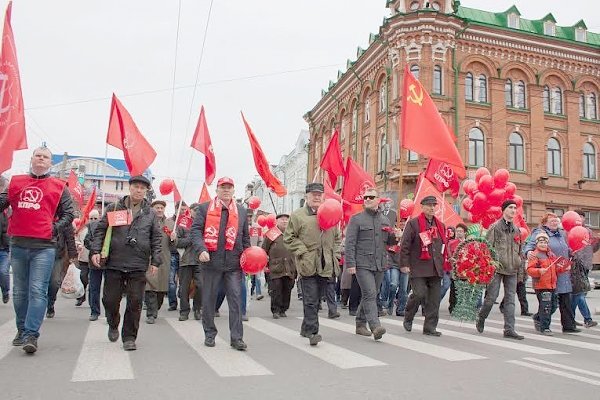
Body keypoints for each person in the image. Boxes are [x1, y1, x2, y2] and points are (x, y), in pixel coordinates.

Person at [0, 147, 75, 354]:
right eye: (38, 156)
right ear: (32, 159)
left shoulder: (59, 187)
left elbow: (69, 213)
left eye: (46, 157)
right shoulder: (15, 182)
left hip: (44, 247)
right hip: (18, 244)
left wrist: (54, 228)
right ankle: (21, 329)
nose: (41, 159)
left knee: (37, 290)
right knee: (19, 292)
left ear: (51, 162)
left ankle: (32, 334)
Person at [90, 175, 162, 351]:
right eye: (136, 187)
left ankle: (129, 337)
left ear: (146, 191)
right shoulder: (114, 207)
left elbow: (156, 238)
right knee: (110, 300)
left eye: (142, 188)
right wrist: (96, 251)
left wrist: (156, 260)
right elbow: (100, 231)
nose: (139, 190)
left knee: (135, 302)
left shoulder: (150, 213)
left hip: (138, 263)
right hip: (115, 261)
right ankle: (113, 323)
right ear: (129, 188)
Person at [190, 177, 250, 351]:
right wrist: (201, 249)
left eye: (229, 187)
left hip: (234, 263)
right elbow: (195, 231)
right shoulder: (204, 208)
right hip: (210, 262)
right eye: (222, 187)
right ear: (217, 190)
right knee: (208, 300)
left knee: (236, 301)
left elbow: (245, 237)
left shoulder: (241, 211)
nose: (226, 190)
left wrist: (248, 258)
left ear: (233, 191)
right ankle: (209, 333)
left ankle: (236, 338)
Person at [284, 182, 341, 346]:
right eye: (313, 194)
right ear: (306, 196)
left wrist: (335, 255)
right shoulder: (298, 215)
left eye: (319, 194)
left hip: (326, 264)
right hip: (307, 264)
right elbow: (289, 238)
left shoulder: (331, 213)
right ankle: (313, 332)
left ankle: (305, 328)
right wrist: (302, 251)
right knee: (310, 299)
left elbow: (337, 238)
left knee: (316, 300)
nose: (316, 197)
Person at [344, 187, 398, 340]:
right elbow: (350, 243)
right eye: (365, 197)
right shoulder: (356, 219)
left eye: (371, 197)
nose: (367, 199)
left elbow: (389, 242)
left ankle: (360, 324)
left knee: (370, 294)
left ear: (378, 200)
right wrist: (350, 264)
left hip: (380, 263)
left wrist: (396, 235)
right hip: (362, 263)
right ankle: (375, 326)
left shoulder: (384, 220)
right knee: (370, 293)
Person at [523, 212, 580, 333]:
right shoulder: (540, 234)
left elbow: (566, 247)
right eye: (552, 221)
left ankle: (568, 325)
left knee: (565, 299)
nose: (555, 222)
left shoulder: (562, 234)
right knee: (550, 302)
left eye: (556, 220)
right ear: (545, 223)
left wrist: (571, 252)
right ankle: (541, 319)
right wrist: (528, 253)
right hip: (548, 271)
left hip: (562, 269)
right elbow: (529, 246)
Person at [476, 200, 524, 340]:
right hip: (497, 268)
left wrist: (520, 269)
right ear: (504, 210)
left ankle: (509, 329)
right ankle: (481, 317)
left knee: (510, 300)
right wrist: (490, 264)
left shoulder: (516, 230)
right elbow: (486, 247)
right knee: (491, 297)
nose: (513, 210)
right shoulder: (495, 227)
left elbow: (519, 251)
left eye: (515, 208)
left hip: (512, 269)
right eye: (510, 207)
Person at [400, 195, 445, 336]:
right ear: (422, 206)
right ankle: (409, 315)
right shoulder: (413, 224)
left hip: (435, 267)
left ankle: (430, 327)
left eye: (434, 205)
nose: (432, 208)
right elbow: (405, 245)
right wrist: (405, 264)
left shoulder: (440, 225)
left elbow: (443, 246)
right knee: (419, 294)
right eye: (429, 205)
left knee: (434, 299)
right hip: (418, 266)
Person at [526, 231, 565, 336]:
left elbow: (555, 268)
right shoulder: (535, 255)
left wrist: (563, 269)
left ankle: (538, 317)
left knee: (553, 306)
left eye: (545, 242)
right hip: (541, 285)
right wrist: (539, 271)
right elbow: (529, 270)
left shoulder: (551, 254)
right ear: (536, 243)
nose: (543, 244)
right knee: (546, 306)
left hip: (552, 285)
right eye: (541, 242)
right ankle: (545, 327)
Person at [144, 200, 174, 324]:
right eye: (157, 207)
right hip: (150, 259)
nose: (160, 210)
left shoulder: (170, 224)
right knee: (150, 285)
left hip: (165, 259)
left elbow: (175, 245)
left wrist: (174, 239)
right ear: (152, 209)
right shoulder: (146, 222)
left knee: (161, 288)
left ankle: (155, 308)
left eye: (162, 207)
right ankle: (151, 313)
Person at [261, 213, 296, 319]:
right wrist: (265, 264)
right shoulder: (271, 234)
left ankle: (283, 309)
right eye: (282, 219)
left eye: (286, 219)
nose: (284, 221)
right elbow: (264, 250)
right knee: (276, 289)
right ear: (276, 221)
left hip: (290, 266)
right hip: (275, 267)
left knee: (287, 288)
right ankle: (275, 310)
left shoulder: (293, 233)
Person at [570, 210, 599, 328]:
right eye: (578, 216)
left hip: (586, 266)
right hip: (575, 266)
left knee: (577, 294)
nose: (580, 219)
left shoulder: (588, 231)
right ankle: (587, 319)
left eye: (582, 217)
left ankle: (569, 318)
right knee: (579, 293)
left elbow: (592, 249)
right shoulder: (569, 231)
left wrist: (598, 242)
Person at [176, 203, 203, 321]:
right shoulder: (183, 224)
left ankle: (197, 309)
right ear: (190, 211)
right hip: (186, 260)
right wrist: (192, 238)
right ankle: (184, 311)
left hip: (201, 260)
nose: (197, 212)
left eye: (199, 210)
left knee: (201, 286)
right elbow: (177, 242)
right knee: (184, 288)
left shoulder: (205, 225)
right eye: (195, 210)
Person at [46, 222, 77, 318]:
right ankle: (39, 305)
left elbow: (69, 236)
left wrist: (72, 254)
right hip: (41, 249)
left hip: (57, 253)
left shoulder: (64, 213)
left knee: (54, 282)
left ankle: (50, 303)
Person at [83, 209, 103, 321]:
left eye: (96, 218)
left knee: (109, 290)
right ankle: (94, 311)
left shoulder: (112, 227)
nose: (94, 220)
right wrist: (96, 249)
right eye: (92, 218)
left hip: (109, 261)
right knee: (94, 287)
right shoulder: (92, 226)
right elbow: (87, 241)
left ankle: (110, 313)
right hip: (95, 260)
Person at [447, 223, 467, 313]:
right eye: (457, 231)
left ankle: (462, 306)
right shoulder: (452, 243)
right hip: (455, 269)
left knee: (464, 289)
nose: (458, 233)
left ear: (465, 232)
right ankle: (452, 306)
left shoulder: (469, 243)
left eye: (461, 231)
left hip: (466, 270)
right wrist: (451, 260)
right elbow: (448, 255)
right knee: (454, 288)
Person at [0, 208, 9, 304]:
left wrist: (8, 247)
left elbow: (5, 231)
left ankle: (5, 291)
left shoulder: (2, 214)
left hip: (3, 249)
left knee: (3, 272)